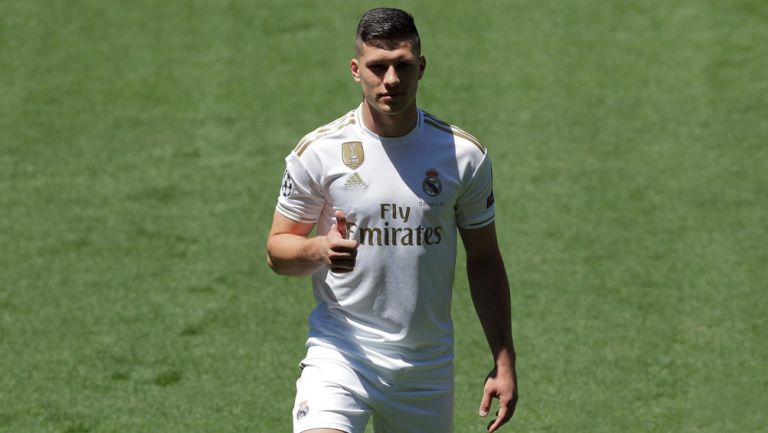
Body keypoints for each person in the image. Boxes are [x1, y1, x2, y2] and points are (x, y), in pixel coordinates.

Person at [266, 7, 518, 433]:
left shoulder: (463, 156)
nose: (392, 80)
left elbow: (485, 261)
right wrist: (318, 248)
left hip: (425, 368)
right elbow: (278, 249)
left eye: (403, 66)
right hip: (341, 352)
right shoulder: (320, 151)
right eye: (377, 67)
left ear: (420, 67)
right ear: (355, 69)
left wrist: (503, 361)